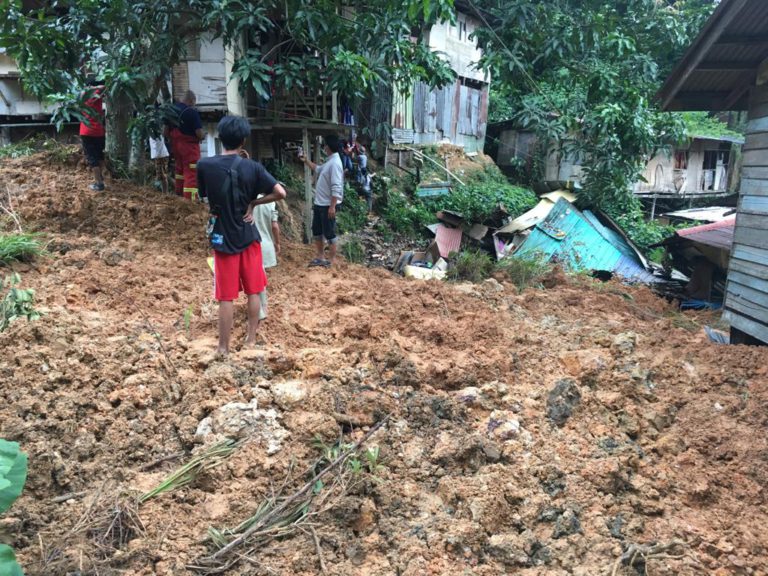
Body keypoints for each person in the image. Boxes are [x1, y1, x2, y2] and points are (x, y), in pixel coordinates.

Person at [197, 115, 286, 356]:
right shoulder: (253, 167)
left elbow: (205, 199)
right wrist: (254, 203)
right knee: (254, 291)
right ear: (243, 140)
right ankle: (250, 340)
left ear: (219, 137)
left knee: (226, 297)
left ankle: (223, 348)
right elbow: (280, 192)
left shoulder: (204, 166)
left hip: (223, 238)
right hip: (248, 236)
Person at [299, 134, 344, 267]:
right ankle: (320, 257)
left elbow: (337, 186)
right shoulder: (330, 161)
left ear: (328, 147)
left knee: (329, 233)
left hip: (327, 205)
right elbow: (318, 169)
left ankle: (332, 260)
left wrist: (332, 206)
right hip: (320, 203)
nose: (324, 147)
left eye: (325, 145)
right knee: (317, 232)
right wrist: (306, 161)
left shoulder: (335, 163)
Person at [250, 189, 281, 322]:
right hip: (266, 244)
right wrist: (277, 243)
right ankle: (263, 307)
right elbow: (274, 226)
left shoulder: (249, 198)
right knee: (260, 277)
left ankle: (260, 309)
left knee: (255, 278)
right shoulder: (271, 202)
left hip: (250, 243)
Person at [168, 90, 204, 200]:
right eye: (194, 102)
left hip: (176, 147)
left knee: (179, 170)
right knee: (191, 172)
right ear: (191, 100)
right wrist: (203, 136)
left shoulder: (170, 110)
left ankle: (179, 195)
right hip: (189, 149)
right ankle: (190, 201)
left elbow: (165, 132)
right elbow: (199, 133)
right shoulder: (191, 112)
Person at [79, 84, 106, 191]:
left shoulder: (82, 96)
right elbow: (105, 86)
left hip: (86, 131)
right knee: (99, 156)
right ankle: (101, 179)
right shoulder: (97, 96)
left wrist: (87, 88)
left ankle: (99, 183)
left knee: (92, 158)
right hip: (99, 131)